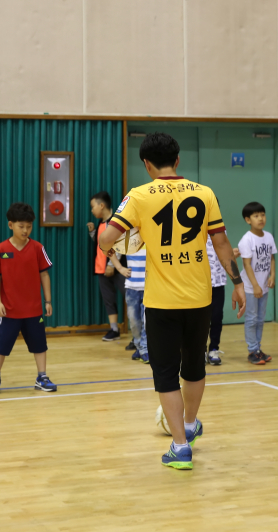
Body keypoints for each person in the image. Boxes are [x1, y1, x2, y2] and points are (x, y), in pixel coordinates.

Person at [98, 132, 245, 470]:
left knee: (165, 373)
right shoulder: (204, 193)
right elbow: (222, 243)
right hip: (199, 297)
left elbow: (107, 238)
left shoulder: (138, 196)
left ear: (146, 164)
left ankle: (180, 447)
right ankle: (190, 424)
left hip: (162, 301)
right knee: (194, 366)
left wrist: (125, 241)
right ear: (177, 161)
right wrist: (237, 282)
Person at [0, 202, 56, 394]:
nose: (25, 230)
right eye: (21, 226)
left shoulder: (37, 248)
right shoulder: (1, 249)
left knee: (39, 344)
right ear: (10, 225)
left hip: (33, 309)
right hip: (9, 310)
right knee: (0, 345)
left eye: (29, 226)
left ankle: (42, 376)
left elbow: (44, 275)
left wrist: (47, 301)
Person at [88, 191, 130, 342]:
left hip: (117, 268)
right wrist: (93, 232)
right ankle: (114, 329)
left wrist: (112, 265)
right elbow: (102, 243)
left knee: (129, 297)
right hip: (101, 268)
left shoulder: (115, 222)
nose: (92, 210)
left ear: (102, 205)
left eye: (93, 207)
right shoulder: (101, 223)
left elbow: (118, 245)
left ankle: (139, 333)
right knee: (108, 299)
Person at [239, 201, 276, 365]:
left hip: (264, 285)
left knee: (261, 319)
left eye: (262, 214)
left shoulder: (268, 236)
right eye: (256, 216)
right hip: (250, 286)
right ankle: (252, 350)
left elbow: (272, 258)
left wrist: (272, 275)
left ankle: (258, 349)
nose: (260, 218)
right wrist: (254, 285)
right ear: (248, 220)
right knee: (252, 318)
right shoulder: (246, 240)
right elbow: (246, 264)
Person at [204, 235, 227, 366]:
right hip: (199, 283)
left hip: (218, 282)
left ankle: (214, 349)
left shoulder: (220, 230)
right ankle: (200, 350)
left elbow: (225, 250)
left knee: (217, 317)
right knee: (201, 320)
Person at [124, 245, 148, 363]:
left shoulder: (151, 238)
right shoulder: (128, 241)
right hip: (132, 288)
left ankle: (144, 349)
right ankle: (139, 347)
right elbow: (109, 250)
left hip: (149, 288)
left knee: (147, 321)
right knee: (134, 321)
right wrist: (120, 268)